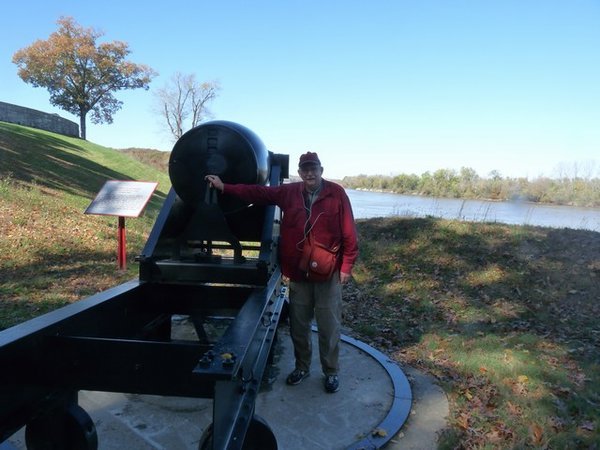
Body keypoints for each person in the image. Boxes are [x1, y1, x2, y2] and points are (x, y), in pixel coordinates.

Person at [205, 151, 358, 393]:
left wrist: (347, 266)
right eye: (305, 169)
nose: (310, 173)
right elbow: (258, 193)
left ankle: (331, 372)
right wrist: (225, 187)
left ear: (321, 170)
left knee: (329, 328)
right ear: (299, 173)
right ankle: (302, 367)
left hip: (328, 273)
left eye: (313, 168)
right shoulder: (289, 193)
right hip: (299, 273)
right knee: (299, 326)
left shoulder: (336, 193)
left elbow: (349, 232)